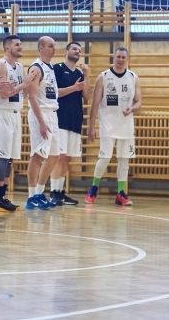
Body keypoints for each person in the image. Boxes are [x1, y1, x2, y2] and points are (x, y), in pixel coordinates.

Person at [86, 47, 142, 206]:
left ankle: (121, 193)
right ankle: (94, 188)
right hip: (107, 125)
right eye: (118, 56)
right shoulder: (103, 77)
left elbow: (139, 102)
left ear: (127, 59)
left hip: (126, 126)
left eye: (123, 57)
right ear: (114, 57)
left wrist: (132, 108)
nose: (120, 59)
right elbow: (95, 103)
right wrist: (91, 126)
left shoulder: (133, 77)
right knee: (104, 158)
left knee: (124, 160)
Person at [0, 35, 37, 212]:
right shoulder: (1, 65)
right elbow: (3, 94)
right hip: (2, 114)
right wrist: (23, 84)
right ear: (8, 48)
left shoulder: (19, 67)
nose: (21, 47)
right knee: (2, 156)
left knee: (10, 158)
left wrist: (29, 85)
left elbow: (20, 94)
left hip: (16, 114)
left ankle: (3, 197)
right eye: (17, 44)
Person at [50, 41, 91, 206]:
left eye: (79, 50)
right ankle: (53, 193)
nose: (77, 52)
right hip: (60, 119)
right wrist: (73, 88)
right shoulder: (57, 69)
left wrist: (87, 75)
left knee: (66, 158)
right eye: (74, 49)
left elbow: (87, 95)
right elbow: (54, 93)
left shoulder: (79, 74)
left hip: (75, 120)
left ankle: (60, 192)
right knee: (59, 157)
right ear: (66, 51)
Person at [24, 36, 61, 210]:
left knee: (54, 156)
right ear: (41, 48)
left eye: (54, 46)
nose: (54, 49)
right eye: (50, 46)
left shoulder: (50, 67)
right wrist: (41, 123)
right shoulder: (36, 68)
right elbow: (31, 97)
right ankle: (31, 196)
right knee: (38, 156)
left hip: (53, 114)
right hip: (42, 115)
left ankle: (40, 192)